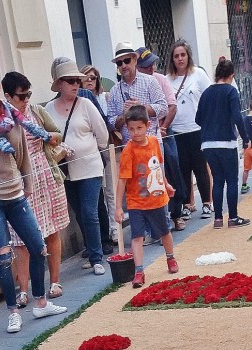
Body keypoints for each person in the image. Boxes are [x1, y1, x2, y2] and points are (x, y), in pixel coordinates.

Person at [0, 65, 67, 333]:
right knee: (4, 256)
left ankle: (41, 302)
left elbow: (23, 157)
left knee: (37, 246)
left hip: (17, 195)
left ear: (0, 90)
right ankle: (12, 311)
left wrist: (28, 186)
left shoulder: (14, 117)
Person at [1, 70, 69, 304]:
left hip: (45, 175)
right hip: (19, 180)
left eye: (29, 93)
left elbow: (57, 135)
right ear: (8, 96)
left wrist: (49, 137)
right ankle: (23, 289)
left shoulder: (37, 112)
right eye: (22, 96)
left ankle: (55, 281)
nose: (27, 99)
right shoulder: (2, 120)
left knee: (52, 230)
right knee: (20, 240)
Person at [46, 57, 108, 276]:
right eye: (70, 80)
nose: (75, 84)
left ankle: (97, 257)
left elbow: (103, 136)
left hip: (90, 167)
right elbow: (46, 138)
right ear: (59, 84)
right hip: (65, 170)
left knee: (90, 212)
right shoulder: (49, 109)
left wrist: (87, 150)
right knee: (80, 214)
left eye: (77, 80)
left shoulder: (86, 104)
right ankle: (91, 251)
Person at [115, 104, 178, 287]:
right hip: (136, 202)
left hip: (157, 198)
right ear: (127, 128)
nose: (135, 133)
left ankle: (170, 258)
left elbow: (158, 166)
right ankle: (139, 271)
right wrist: (119, 207)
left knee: (165, 231)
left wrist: (166, 184)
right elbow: (122, 180)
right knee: (137, 236)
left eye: (139, 128)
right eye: (131, 129)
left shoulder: (154, 143)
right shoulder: (128, 151)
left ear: (147, 126)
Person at [196, 58, 250, 228]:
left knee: (218, 180)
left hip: (207, 143)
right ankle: (233, 217)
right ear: (231, 75)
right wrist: (245, 138)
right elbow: (237, 116)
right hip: (226, 141)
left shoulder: (206, 93)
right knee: (232, 180)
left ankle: (218, 218)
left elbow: (198, 119)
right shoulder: (231, 91)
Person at [136, 47, 186, 230]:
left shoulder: (161, 79)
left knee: (172, 167)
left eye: (152, 64)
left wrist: (164, 127)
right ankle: (154, 222)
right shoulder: (133, 84)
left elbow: (171, 106)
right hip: (145, 136)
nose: (151, 69)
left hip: (164, 130)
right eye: (146, 66)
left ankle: (177, 214)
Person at [166, 39, 213, 219]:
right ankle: (187, 203)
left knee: (200, 167)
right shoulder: (168, 78)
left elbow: (209, 98)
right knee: (183, 169)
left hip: (197, 129)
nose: (180, 59)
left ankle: (207, 203)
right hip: (177, 130)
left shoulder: (198, 74)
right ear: (172, 58)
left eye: (183, 55)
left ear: (188, 56)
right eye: (176, 56)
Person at [81, 64, 119, 241]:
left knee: (111, 190)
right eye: (86, 77)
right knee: (99, 194)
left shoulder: (106, 97)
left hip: (107, 148)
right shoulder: (80, 102)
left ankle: (115, 230)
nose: (89, 81)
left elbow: (109, 122)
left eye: (93, 77)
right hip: (91, 153)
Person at [107, 41, 168, 147]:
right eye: (119, 63)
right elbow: (111, 123)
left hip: (151, 144)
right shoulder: (114, 91)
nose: (124, 65)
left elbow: (164, 108)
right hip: (129, 148)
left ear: (135, 60)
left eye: (127, 60)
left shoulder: (150, 81)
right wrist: (124, 115)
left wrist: (140, 108)